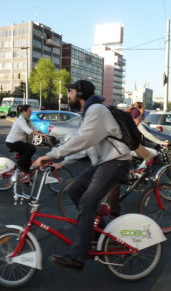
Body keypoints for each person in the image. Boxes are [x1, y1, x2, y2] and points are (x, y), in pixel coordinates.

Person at [32, 79, 133, 272]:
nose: (67, 96)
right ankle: (98, 235)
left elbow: (81, 140)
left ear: (78, 93)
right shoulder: (90, 113)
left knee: (87, 202)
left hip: (116, 161)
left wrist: (50, 155)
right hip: (105, 162)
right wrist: (61, 162)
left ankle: (77, 256)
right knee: (75, 190)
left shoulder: (96, 111)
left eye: (69, 92)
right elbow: (85, 146)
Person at [6, 104, 42, 182]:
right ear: (23, 112)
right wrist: (41, 135)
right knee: (32, 148)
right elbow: (29, 131)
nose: (31, 113)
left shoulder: (27, 120)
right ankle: (20, 164)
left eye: (31, 111)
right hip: (13, 143)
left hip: (18, 142)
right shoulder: (21, 120)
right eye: (29, 111)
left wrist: (46, 135)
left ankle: (25, 177)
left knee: (28, 161)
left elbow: (34, 128)